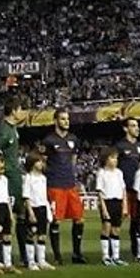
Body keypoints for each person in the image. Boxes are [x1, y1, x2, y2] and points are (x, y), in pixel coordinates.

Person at [40, 108, 86, 265]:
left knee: (79, 219)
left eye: (67, 119)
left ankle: (77, 253)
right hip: (55, 185)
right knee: (56, 220)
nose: (66, 121)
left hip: (70, 185)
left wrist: (73, 178)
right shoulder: (49, 141)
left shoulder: (73, 139)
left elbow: (73, 161)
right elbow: (43, 163)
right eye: (63, 119)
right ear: (55, 121)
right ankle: (58, 256)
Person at [0, 95, 28, 264]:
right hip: (7, 179)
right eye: (21, 109)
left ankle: (23, 255)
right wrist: (0, 176)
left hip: (15, 177)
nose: (23, 113)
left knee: (21, 214)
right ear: (13, 111)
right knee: (4, 216)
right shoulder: (3, 130)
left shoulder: (12, 129)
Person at [113, 117, 140, 259]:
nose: (136, 128)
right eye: (133, 126)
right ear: (126, 128)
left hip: (137, 189)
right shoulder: (119, 146)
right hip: (122, 189)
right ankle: (113, 252)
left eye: (137, 125)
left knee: (136, 220)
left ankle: (136, 250)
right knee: (118, 219)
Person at [95, 148, 128, 266]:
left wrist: (125, 205)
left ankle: (116, 256)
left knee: (116, 230)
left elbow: (123, 190)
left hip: (117, 202)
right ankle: (105, 256)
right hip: (107, 202)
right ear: (106, 159)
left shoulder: (119, 173)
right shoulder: (102, 173)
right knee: (106, 228)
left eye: (116, 158)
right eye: (112, 158)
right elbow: (100, 192)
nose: (115, 160)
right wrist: (103, 208)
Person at [21, 152, 53, 271]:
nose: (41, 164)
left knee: (42, 235)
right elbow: (26, 196)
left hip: (42, 207)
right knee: (31, 234)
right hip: (33, 208)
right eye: (38, 161)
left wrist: (48, 210)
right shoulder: (28, 178)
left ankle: (41, 260)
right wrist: (30, 212)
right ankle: (31, 261)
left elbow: (44, 196)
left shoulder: (43, 178)